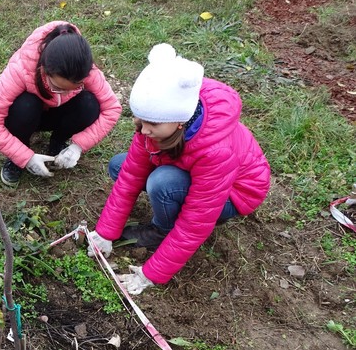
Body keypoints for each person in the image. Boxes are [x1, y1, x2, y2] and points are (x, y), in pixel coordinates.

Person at [88, 43, 271, 295]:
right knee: (119, 166)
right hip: (189, 165)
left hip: (236, 192)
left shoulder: (216, 151)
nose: (142, 131)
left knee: (162, 183)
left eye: (150, 124)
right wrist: (105, 232)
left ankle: (161, 230)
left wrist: (151, 273)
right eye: (139, 120)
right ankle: (168, 206)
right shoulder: (162, 115)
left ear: (179, 122)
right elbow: (131, 175)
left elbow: (196, 221)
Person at [0, 21, 121, 186]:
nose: (67, 93)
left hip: (59, 114)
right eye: (58, 87)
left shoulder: (85, 69)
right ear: (44, 70)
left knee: (89, 104)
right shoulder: (21, 69)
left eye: (75, 87)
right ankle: (19, 153)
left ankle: (58, 143)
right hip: (28, 116)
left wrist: (79, 146)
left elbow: (112, 108)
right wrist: (25, 157)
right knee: (26, 105)